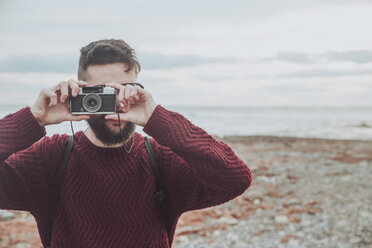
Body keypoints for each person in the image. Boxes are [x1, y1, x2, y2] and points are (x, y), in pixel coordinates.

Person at [0, 39, 252, 247]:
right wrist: (32, 120)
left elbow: (236, 177)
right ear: (81, 94)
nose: (117, 104)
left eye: (124, 90)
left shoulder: (160, 159)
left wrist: (158, 118)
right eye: (103, 93)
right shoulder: (50, 158)